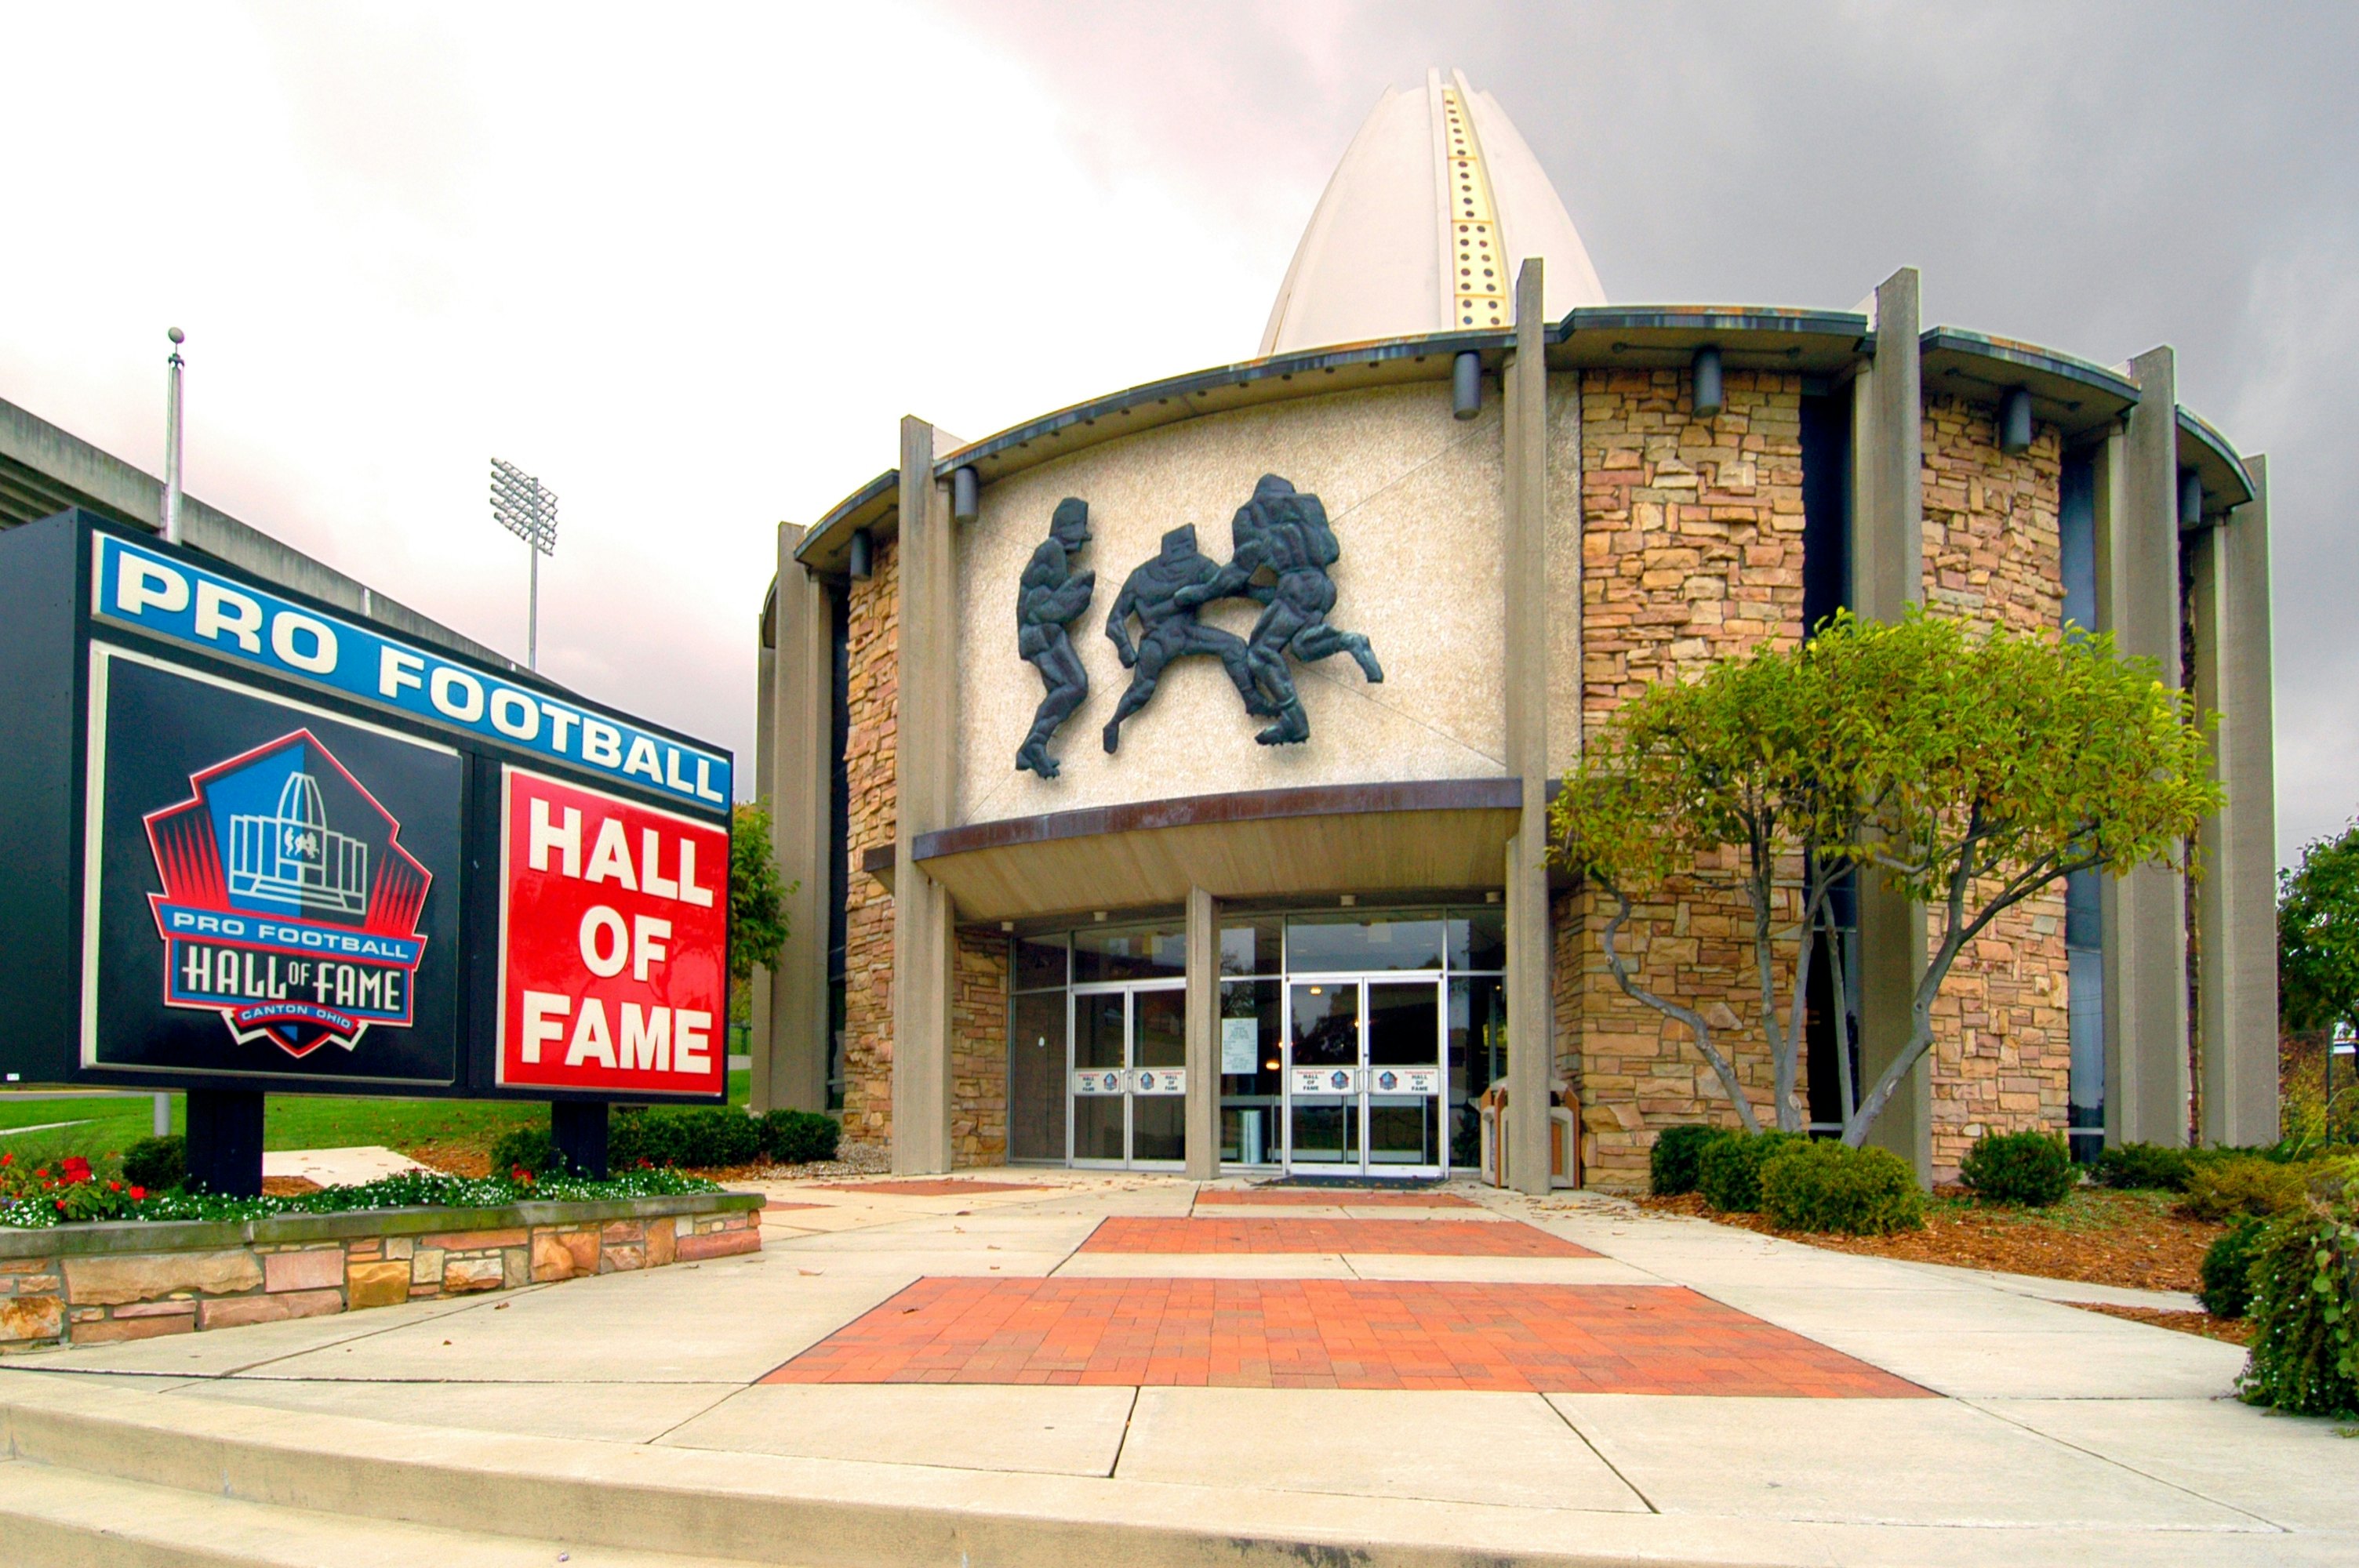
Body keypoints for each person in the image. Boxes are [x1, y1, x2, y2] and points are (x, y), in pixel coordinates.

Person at [1177, 474, 1382, 745]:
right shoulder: (1309, 522)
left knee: (1260, 654)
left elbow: (1234, 575)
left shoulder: (1259, 523)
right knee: (1302, 646)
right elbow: (1331, 552)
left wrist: (1197, 594)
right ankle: (1347, 641)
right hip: (1323, 587)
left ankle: (1295, 722)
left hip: (1295, 587)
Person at [1099, 524, 1270, 754]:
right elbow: (1232, 586)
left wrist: (1126, 649)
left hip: (1155, 641)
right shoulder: (1196, 563)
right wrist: (1267, 595)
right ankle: (1252, 699)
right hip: (1183, 634)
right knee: (1234, 646)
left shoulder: (1141, 575)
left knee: (1142, 688)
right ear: (1189, 545)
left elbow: (1114, 622)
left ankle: (1115, 721)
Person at [1012, 498, 1096, 778]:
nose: (1083, 544)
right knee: (1076, 685)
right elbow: (1037, 608)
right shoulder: (1051, 552)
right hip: (1040, 634)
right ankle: (1034, 744)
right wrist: (1075, 597)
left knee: (1065, 690)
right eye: (1080, 534)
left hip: (1042, 633)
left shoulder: (1053, 553)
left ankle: (1033, 746)